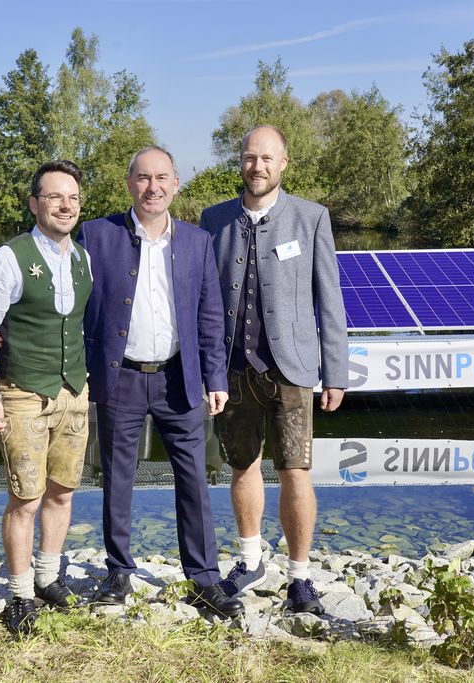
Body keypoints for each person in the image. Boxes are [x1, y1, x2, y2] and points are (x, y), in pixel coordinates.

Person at [77, 145, 244, 619]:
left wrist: (215, 376)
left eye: (162, 178)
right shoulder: (96, 235)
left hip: (180, 379)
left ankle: (204, 579)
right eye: (143, 178)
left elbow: (211, 317)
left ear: (175, 185)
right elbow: (63, 293)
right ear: (130, 184)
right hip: (119, 378)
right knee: (117, 478)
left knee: (193, 479)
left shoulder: (196, 241)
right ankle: (118, 572)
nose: (153, 187)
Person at [199, 125, 348, 615]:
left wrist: (337, 372)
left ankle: (300, 578)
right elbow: (202, 298)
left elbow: (331, 300)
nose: (256, 166)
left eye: (266, 158)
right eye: (248, 157)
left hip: (294, 369)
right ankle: (250, 558)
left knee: (295, 471)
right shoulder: (213, 220)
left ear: (283, 163)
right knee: (241, 466)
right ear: (239, 163)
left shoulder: (312, 218)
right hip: (233, 368)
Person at [0, 159, 91, 635]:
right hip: (21, 394)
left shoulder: (83, 258)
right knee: (26, 497)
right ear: (35, 203)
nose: (65, 205)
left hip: (74, 392)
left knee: (62, 491)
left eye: (72, 198)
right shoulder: (7, 259)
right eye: (54, 196)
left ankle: (47, 577)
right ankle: (18, 594)